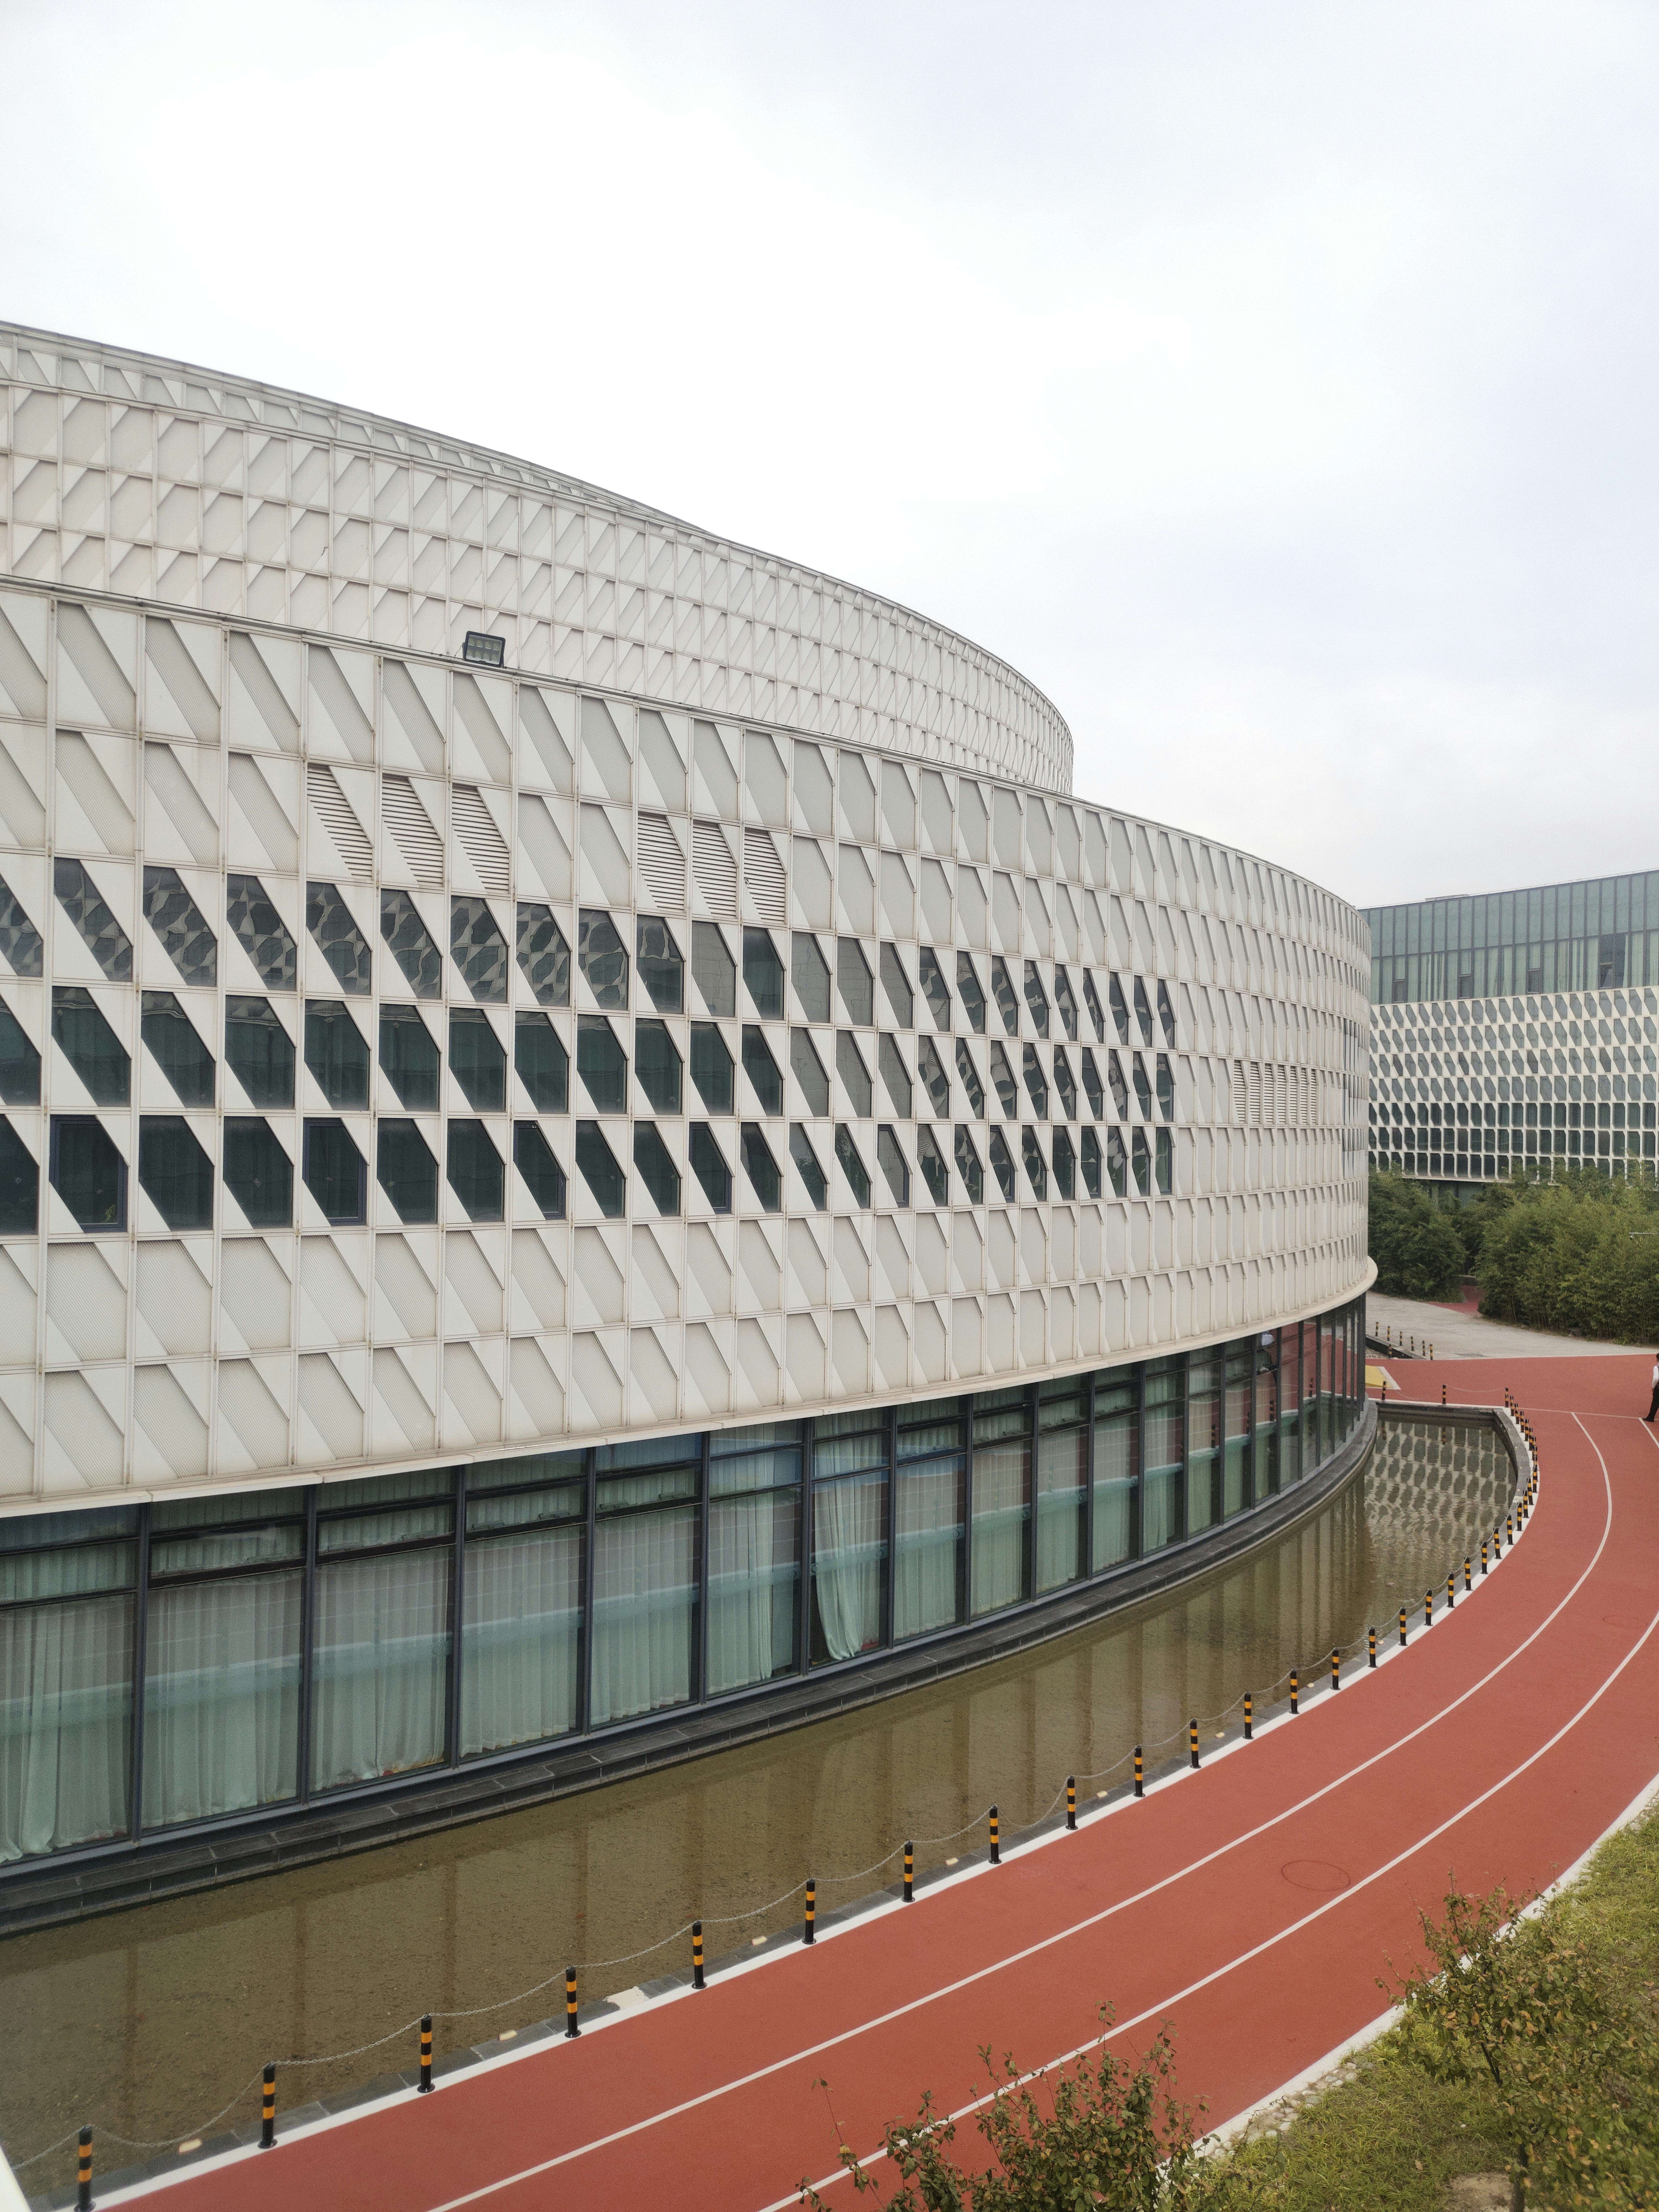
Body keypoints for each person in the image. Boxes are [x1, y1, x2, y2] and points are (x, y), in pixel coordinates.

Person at [1647, 1354, 1659, 1424]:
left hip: (1658, 1388)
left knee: (1655, 1402)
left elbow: (1656, 1379)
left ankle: (1651, 1417)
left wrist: (1653, 1386)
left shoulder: (1657, 1367)